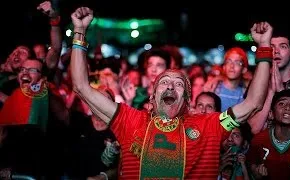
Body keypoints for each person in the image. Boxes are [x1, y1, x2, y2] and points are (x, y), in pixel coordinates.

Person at [70, 7, 272, 179]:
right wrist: (79, 31)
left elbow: (253, 102)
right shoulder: (129, 120)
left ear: (186, 99)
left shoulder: (210, 126)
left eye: (178, 84)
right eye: (164, 82)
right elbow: (81, 86)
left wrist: (263, 47)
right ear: (152, 95)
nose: (170, 86)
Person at [248, 29, 290, 134]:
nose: (276, 51)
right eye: (271, 47)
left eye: (283, 46)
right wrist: (271, 92)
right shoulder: (257, 83)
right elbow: (253, 129)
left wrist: (281, 92)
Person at [246, 89, 290, 180]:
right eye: (281, 104)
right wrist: (256, 171)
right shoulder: (258, 140)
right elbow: (251, 164)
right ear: (271, 114)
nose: (288, 107)